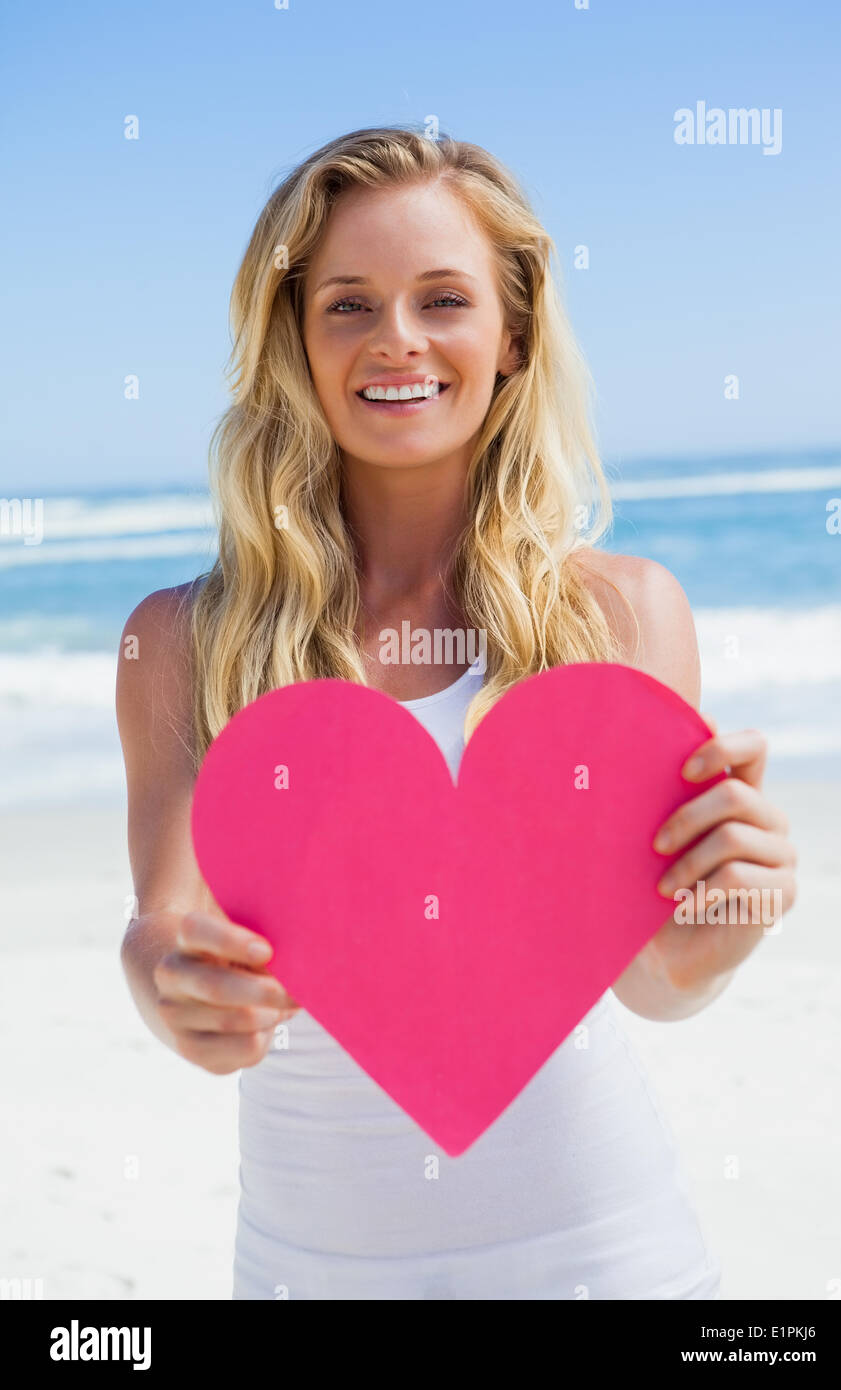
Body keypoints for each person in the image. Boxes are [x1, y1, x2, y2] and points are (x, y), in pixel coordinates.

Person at [116, 126, 798, 1300]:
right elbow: (164, 928)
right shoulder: (186, 639)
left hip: (609, 1265)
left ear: (512, 335)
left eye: (443, 298)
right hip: (307, 1276)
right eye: (346, 304)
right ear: (290, 336)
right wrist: (170, 986)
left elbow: (653, 979)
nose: (397, 340)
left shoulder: (623, 617)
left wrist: (725, 919)